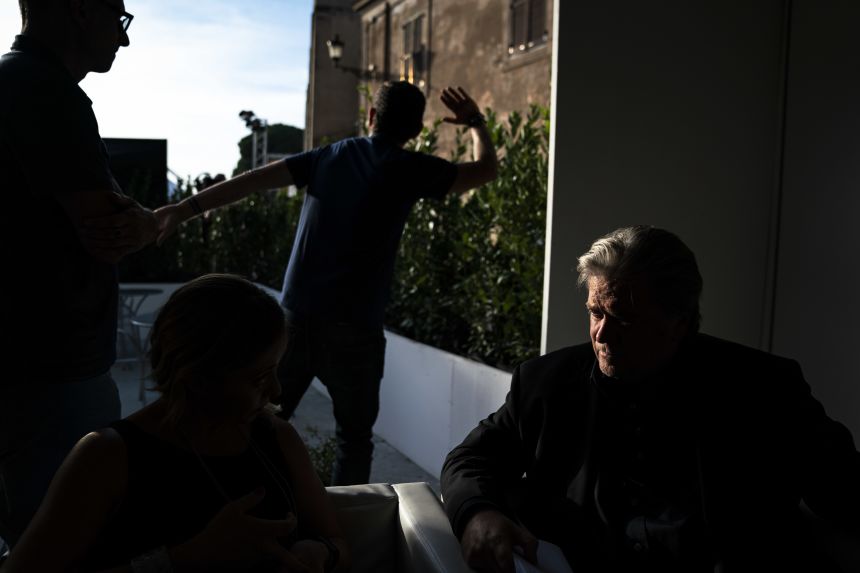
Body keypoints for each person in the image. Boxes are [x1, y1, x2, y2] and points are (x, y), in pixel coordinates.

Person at [441, 225, 860, 572]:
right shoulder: (546, 383)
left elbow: (841, 487)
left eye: (622, 318)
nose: (601, 335)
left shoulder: (764, 388)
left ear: (678, 323)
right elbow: (471, 459)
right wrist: (476, 512)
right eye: (595, 312)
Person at [155, 81, 499, 485]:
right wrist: (475, 121)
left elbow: (250, 181)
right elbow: (485, 170)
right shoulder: (413, 169)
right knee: (354, 441)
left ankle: (250, 505)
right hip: (358, 331)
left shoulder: (328, 158)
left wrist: (183, 208)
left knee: (256, 423)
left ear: (371, 117)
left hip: (295, 324)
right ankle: (342, 523)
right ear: (417, 130)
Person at [3, 274, 350, 573]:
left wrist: (320, 552)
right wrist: (184, 558)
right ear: (198, 377)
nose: (276, 390)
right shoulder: (105, 459)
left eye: (275, 371)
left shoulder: (276, 437)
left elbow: (337, 541)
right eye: (258, 378)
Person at [0, 0, 158, 547]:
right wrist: (145, 222)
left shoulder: (11, 81)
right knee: (63, 542)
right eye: (118, 20)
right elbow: (110, 231)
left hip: (26, 363)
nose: (125, 39)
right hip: (50, 371)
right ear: (77, 11)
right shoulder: (46, 93)